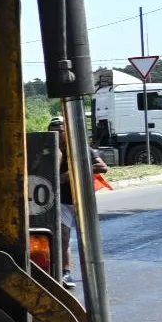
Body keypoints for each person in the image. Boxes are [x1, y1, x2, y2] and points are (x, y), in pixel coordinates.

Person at [48, 117, 109, 288]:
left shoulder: (81, 148)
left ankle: (94, 271)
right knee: (63, 237)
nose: (57, 133)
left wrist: (73, 173)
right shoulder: (49, 150)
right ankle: (65, 273)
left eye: (60, 130)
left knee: (87, 239)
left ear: (67, 132)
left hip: (82, 200)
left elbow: (102, 167)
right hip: (61, 201)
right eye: (53, 130)